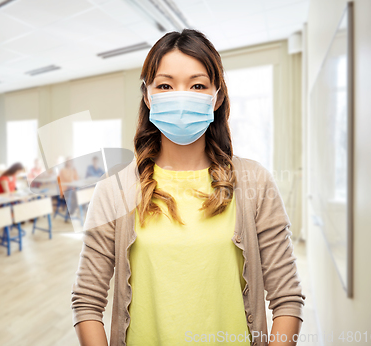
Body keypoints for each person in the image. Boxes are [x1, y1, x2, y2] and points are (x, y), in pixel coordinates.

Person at [71, 29, 305, 346]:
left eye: (197, 85)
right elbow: (87, 301)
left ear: (217, 96)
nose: (181, 97)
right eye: (165, 85)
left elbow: (287, 297)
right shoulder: (115, 189)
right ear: (147, 95)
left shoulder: (255, 181)